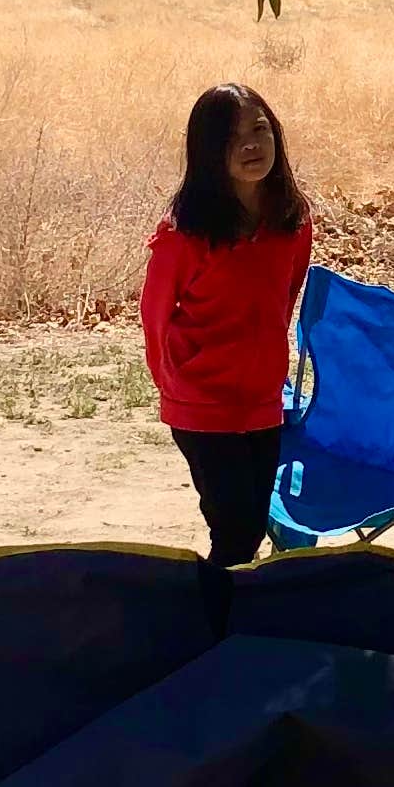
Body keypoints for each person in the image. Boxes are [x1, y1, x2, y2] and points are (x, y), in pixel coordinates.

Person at [140, 83, 314, 567]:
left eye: (260, 130)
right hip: (200, 401)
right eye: (233, 137)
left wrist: (264, 360)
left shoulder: (293, 221)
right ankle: (210, 624)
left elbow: (286, 296)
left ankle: (233, 617)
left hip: (262, 396)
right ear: (208, 151)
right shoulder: (184, 233)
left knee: (253, 525)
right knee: (234, 531)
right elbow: (155, 315)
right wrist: (178, 378)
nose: (251, 146)